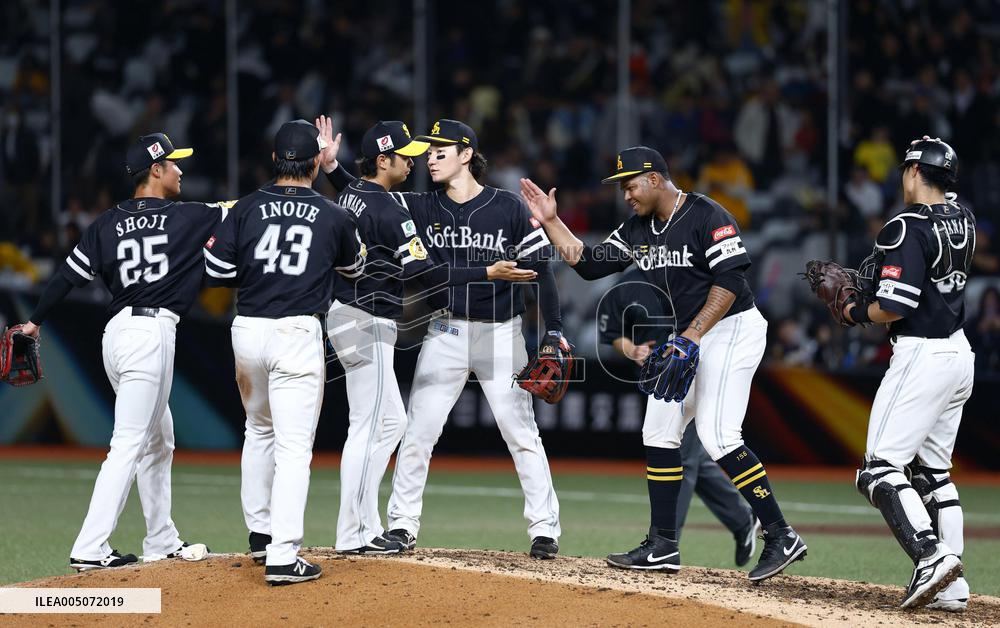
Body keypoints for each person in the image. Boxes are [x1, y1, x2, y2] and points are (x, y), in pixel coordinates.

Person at [520, 146, 806, 581]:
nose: (626, 195)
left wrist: (691, 336)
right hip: (689, 335)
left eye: (630, 185)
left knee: (718, 435)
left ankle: (781, 534)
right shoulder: (638, 228)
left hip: (731, 328)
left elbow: (731, 280)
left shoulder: (707, 215)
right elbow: (590, 265)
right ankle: (663, 546)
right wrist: (552, 221)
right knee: (658, 430)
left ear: (654, 178)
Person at [321, 118, 566, 559]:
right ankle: (401, 525)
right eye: (428, 152)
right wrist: (332, 168)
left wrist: (554, 330)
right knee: (418, 431)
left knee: (520, 432)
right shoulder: (419, 205)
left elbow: (542, 270)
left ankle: (544, 529)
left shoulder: (507, 207)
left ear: (466, 155)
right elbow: (366, 198)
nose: (430, 159)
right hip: (445, 329)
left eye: (440, 151)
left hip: (500, 333)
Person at [20, 133, 219, 570]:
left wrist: (35, 321)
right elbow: (249, 209)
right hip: (150, 335)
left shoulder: (106, 222)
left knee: (159, 439)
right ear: (155, 170)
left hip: (117, 336)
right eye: (173, 163)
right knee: (129, 443)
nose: (180, 169)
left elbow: (66, 277)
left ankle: (162, 539)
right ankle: (90, 547)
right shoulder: (187, 216)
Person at [203, 120, 366, 585]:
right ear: (316, 162)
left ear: (275, 160)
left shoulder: (246, 207)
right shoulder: (333, 213)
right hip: (296, 331)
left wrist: (261, 271)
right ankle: (283, 554)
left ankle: (261, 534)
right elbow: (356, 267)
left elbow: (215, 269)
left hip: (249, 329)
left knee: (258, 430)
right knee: (294, 447)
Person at [844, 137, 975, 610]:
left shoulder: (905, 225)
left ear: (915, 171)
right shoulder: (964, 217)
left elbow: (895, 305)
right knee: (934, 474)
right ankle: (953, 587)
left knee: (878, 469)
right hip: (959, 353)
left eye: (905, 168)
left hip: (922, 356)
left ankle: (930, 556)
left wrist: (855, 311)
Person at [596, 268, 758, 566]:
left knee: (682, 457)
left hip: (692, 373)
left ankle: (666, 543)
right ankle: (742, 519)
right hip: (657, 379)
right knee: (689, 458)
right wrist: (632, 349)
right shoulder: (626, 285)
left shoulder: (685, 273)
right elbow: (612, 333)